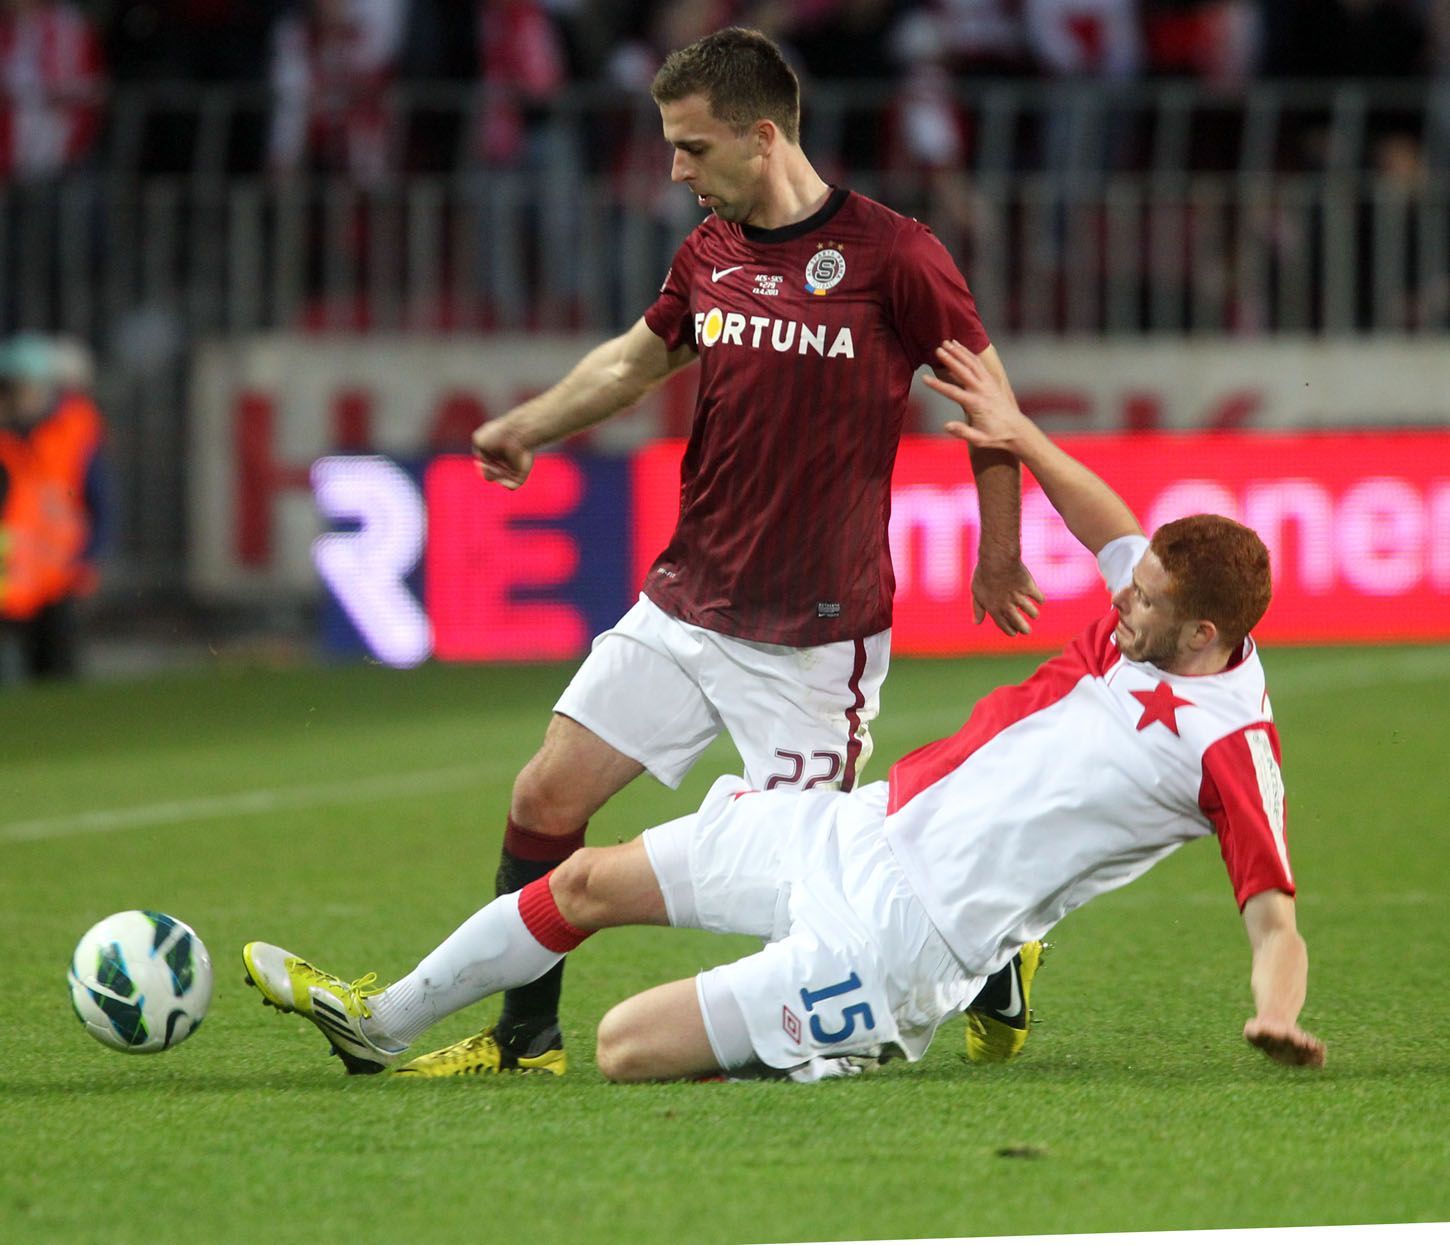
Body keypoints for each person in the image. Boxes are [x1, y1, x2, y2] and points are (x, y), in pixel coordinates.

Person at [242, 338, 1326, 1082]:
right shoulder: (1162, 609)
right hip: (855, 828)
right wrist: (1019, 432)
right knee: (579, 879)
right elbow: (1112, 527)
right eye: (1129, 591)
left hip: (904, 941)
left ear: (1203, 639)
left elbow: (1274, 921)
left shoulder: (1228, 745)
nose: (1121, 602)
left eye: (1144, 604)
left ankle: (846, 1032)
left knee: (625, 1047)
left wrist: (1275, 1014)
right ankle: (379, 1028)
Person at [392, 26, 1043, 1078]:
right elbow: (631, 363)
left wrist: (998, 552)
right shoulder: (708, 253)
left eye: (692, 148)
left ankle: (993, 956)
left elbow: (992, 405)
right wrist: (530, 426)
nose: (674, 169)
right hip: (685, 608)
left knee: (822, 889)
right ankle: (525, 1040)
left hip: (811, 644)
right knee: (543, 798)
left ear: (764, 135)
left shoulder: (896, 257)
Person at [0, 334, 108, 683]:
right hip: (9, 580)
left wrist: (89, 558)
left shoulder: (72, 432)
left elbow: (102, 502)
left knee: (57, 677)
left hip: (56, 575)